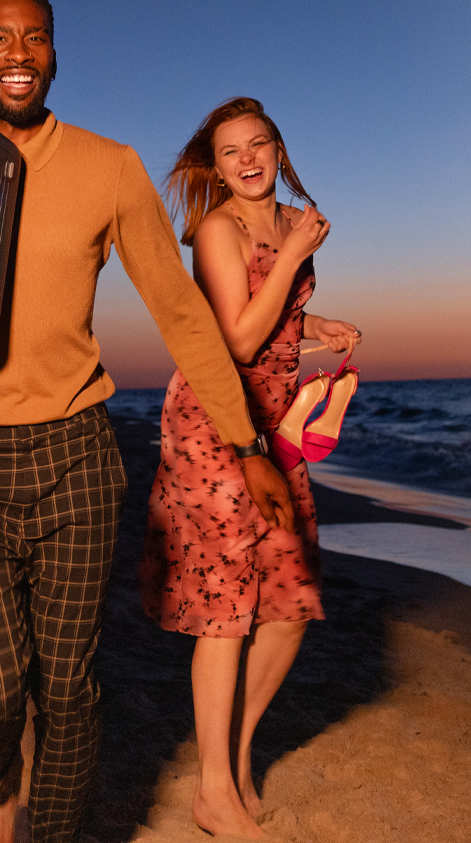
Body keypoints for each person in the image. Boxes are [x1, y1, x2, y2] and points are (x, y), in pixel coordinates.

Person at [0, 0, 293, 843]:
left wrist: (248, 441)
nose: (18, 53)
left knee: (70, 690)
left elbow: (183, 314)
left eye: (35, 38)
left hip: (77, 455)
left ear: (54, 52)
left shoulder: (107, 165)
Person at [139, 97, 362, 839]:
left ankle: (232, 762)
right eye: (232, 151)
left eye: (259, 144)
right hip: (214, 421)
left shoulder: (290, 222)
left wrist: (314, 323)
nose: (249, 159)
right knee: (227, 613)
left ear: (277, 147)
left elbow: (273, 317)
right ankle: (213, 794)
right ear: (215, 165)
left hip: (273, 424)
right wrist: (296, 257)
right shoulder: (216, 229)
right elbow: (233, 340)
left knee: (291, 603)